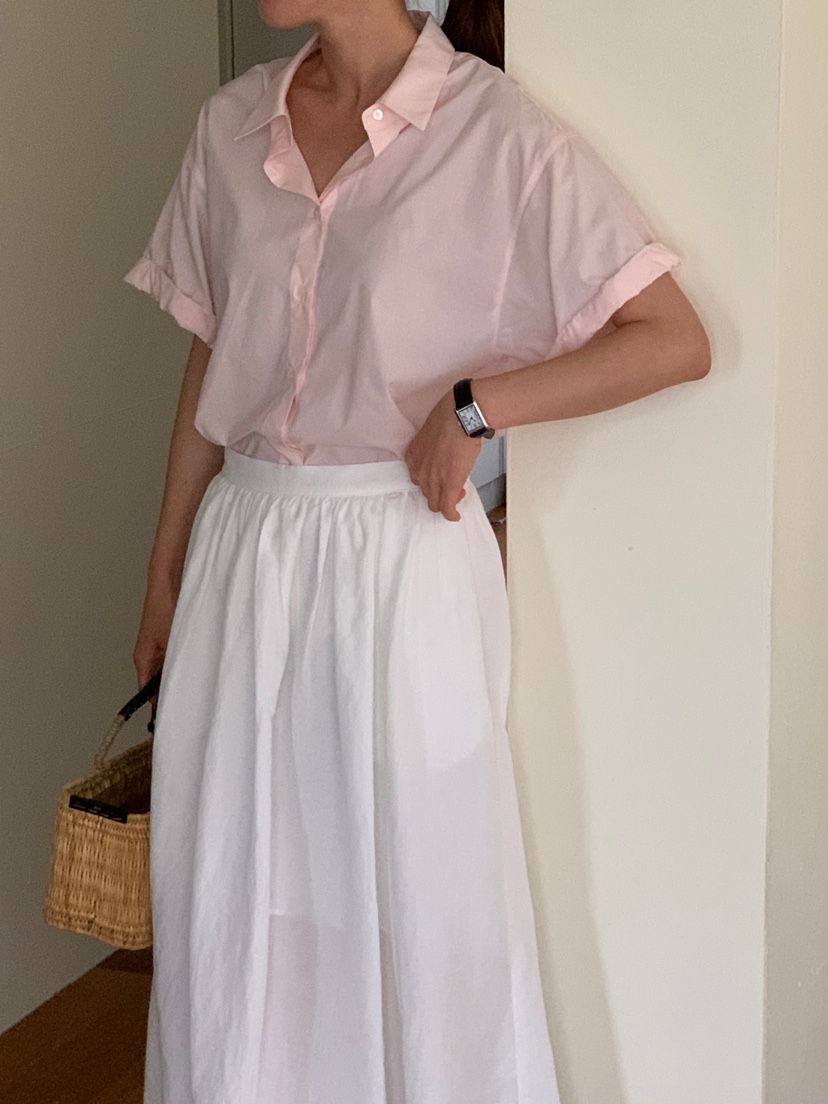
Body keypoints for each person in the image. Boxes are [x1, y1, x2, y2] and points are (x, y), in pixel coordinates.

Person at [123, 1, 711, 1101]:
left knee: (421, 896)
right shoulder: (230, 126)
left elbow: (673, 340)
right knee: (234, 894)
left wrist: (480, 407)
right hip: (242, 551)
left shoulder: (495, 135)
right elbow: (212, 358)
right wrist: (163, 574)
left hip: (400, 558)